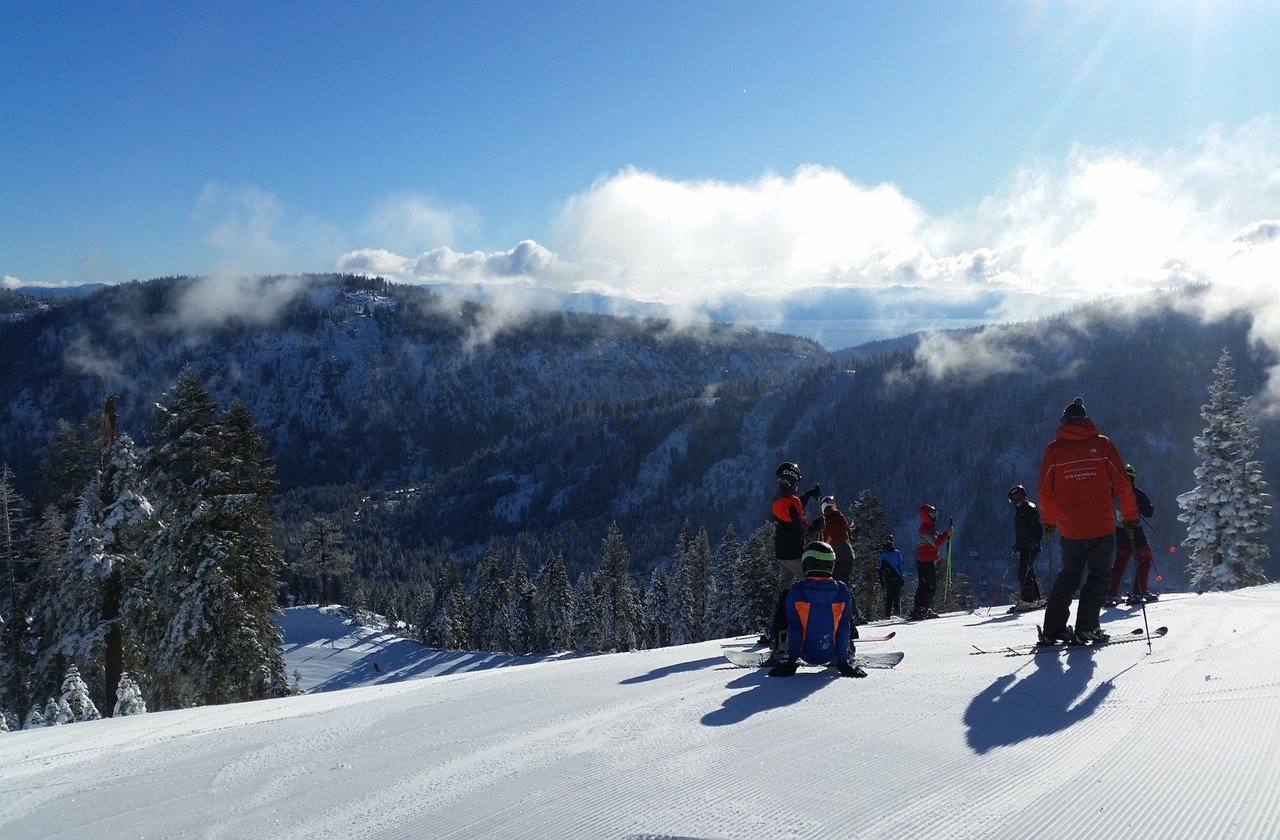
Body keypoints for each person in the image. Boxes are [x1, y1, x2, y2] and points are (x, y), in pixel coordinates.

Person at [1037, 397, 1139, 645]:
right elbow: (1122, 484)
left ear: (1064, 422)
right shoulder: (1102, 445)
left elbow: (1044, 490)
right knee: (1099, 576)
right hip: (1101, 526)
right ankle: (1087, 628)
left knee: (1068, 575)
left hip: (1071, 528)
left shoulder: (1054, 450)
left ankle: (1054, 629)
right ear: (1085, 420)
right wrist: (1130, 518)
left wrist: (1049, 521)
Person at [768, 541, 866, 678]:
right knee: (844, 621)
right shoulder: (842, 590)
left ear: (806, 564)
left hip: (804, 652)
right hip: (832, 652)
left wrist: (791, 662)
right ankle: (846, 653)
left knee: (783, 600)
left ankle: (782, 651)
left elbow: (794, 627)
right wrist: (843, 663)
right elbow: (844, 629)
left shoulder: (796, 590)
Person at [768, 462, 822, 651]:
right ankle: (815, 628)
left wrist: (808, 495)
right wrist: (816, 527)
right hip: (793, 553)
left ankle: (775, 630)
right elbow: (800, 530)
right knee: (812, 586)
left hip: (782, 552)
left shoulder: (780, 498)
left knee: (784, 590)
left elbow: (795, 510)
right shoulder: (789, 501)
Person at [1108, 464, 1157, 606]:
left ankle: (1111, 594)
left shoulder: (1111, 493)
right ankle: (1139, 592)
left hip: (1119, 532)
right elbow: (1149, 512)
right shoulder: (1136, 493)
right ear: (1133, 477)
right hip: (1136, 532)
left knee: (1119, 564)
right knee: (1144, 559)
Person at [909, 503, 952, 620]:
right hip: (926, 562)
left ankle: (919, 609)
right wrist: (946, 535)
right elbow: (936, 543)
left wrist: (945, 535)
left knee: (924, 586)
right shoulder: (925, 529)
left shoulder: (927, 527)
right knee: (930, 587)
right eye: (932, 514)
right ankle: (922, 610)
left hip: (924, 561)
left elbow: (936, 539)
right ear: (926, 516)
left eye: (935, 514)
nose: (934, 517)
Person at [1007, 485, 1043, 610]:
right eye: (1013, 498)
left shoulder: (1029, 509)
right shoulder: (1020, 510)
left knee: (1023, 573)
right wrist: (1018, 544)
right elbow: (1022, 531)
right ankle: (1037, 599)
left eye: (1017, 497)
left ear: (1023, 496)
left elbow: (1038, 528)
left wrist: (1035, 541)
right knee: (1029, 571)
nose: (1015, 500)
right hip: (1024, 547)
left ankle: (1028, 601)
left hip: (1031, 547)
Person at [818, 495, 857, 588]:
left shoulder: (826, 519)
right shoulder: (840, 516)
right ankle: (847, 601)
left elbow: (823, 540)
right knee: (844, 584)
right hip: (848, 553)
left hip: (837, 555)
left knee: (833, 585)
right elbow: (849, 535)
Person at [877, 535, 906, 617]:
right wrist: (902, 578)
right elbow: (901, 566)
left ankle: (888, 615)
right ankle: (896, 614)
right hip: (896, 577)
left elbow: (879, 568)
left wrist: (881, 580)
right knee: (895, 597)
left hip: (889, 578)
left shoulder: (882, 554)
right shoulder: (896, 553)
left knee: (890, 598)